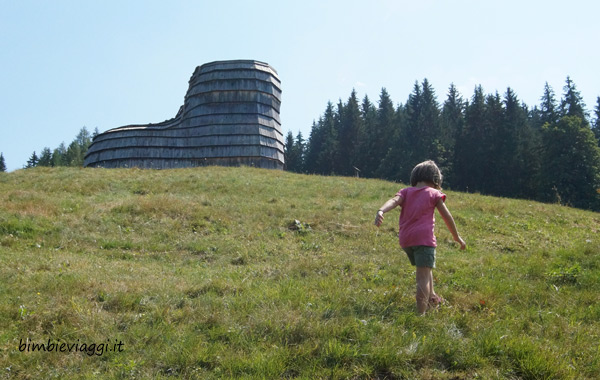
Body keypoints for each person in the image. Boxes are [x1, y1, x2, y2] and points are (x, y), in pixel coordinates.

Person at [374, 160, 466, 314]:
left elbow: (394, 201)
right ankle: (421, 314)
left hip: (406, 241)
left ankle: (432, 298)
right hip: (424, 240)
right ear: (436, 180)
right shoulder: (434, 193)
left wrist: (381, 211)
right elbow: (447, 217)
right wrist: (457, 237)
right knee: (422, 277)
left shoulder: (405, 192)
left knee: (426, 269)